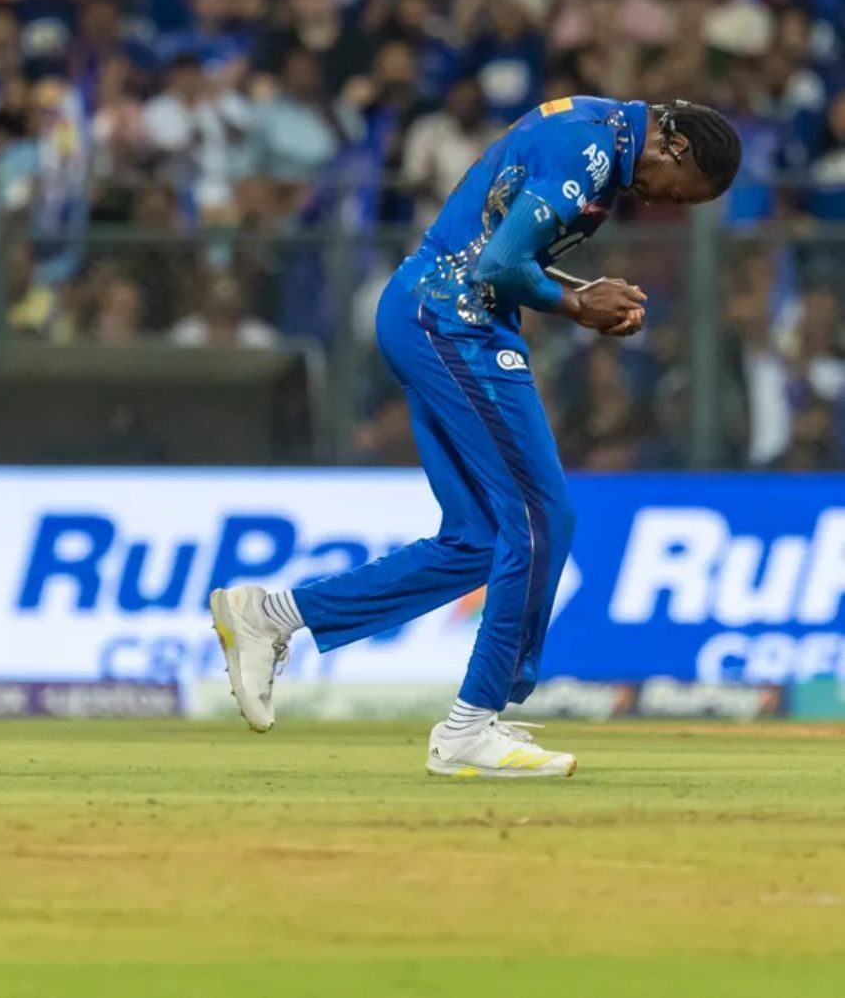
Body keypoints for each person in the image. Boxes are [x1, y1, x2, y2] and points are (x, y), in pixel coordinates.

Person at [211, 97, 741, 778]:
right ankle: (471, 726)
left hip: (428, 310)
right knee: (541, 517)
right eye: (681, 192)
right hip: (454, 322)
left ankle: (270, 614)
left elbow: (497, 240)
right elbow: (496, 268)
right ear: (677, 150)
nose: (667, 203)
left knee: (478, 543)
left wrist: (582, 290)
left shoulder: (593, 128)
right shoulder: (591, 153)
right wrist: (580, 304)